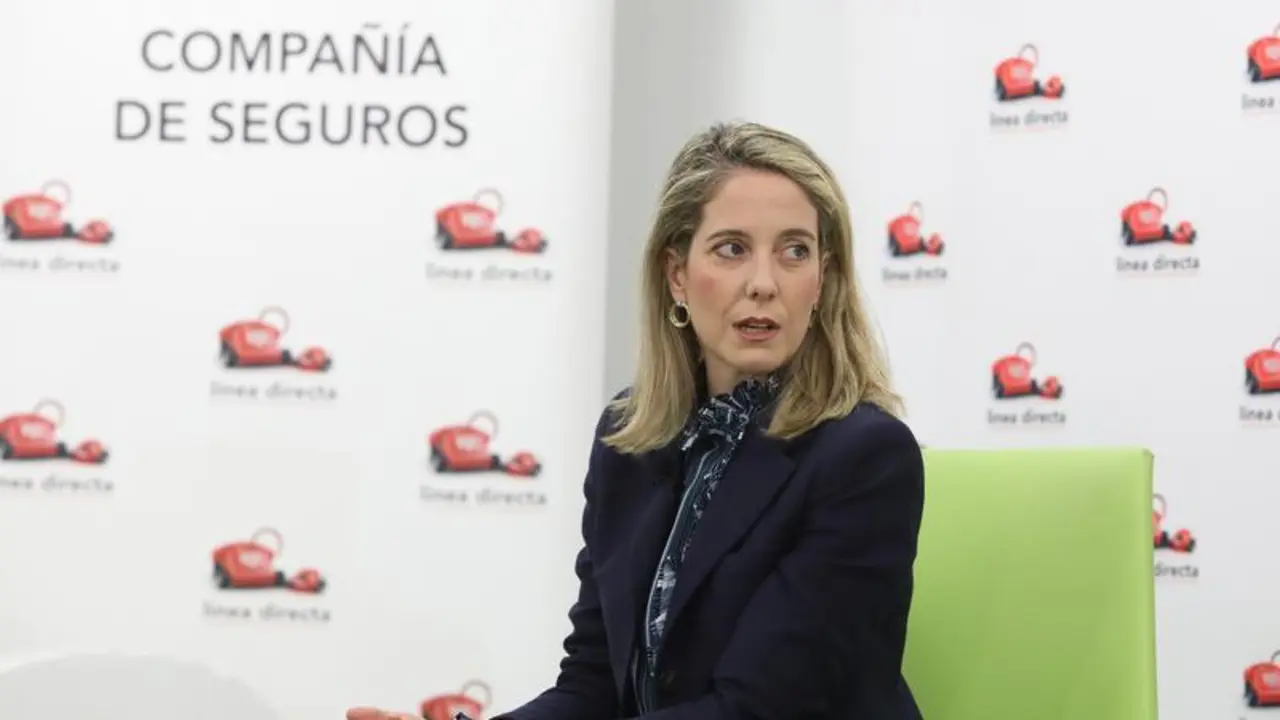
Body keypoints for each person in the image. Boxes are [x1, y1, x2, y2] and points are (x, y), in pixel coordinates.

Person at [347, 120, 926, 720]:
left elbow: (757, 710)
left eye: (794, 251)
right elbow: (592, 685)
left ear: (822, 279)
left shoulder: (864, 457)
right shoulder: (629, 438)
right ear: (676, 275)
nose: (763, 283)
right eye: (732, 249)